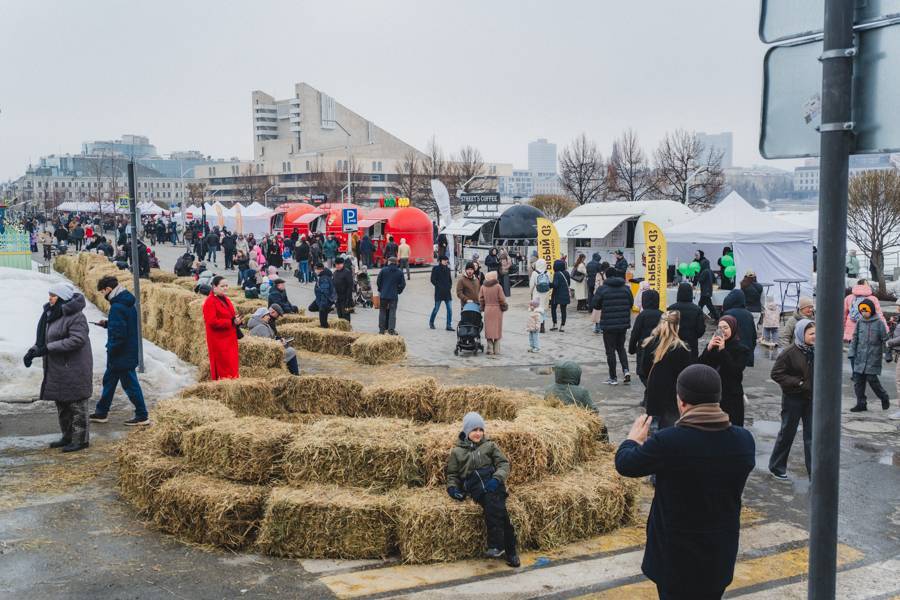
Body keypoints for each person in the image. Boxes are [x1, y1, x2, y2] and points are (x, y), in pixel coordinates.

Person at [615, 364, 755, 600]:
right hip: (718, 555)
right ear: (717, 398)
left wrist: (632, 440)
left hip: (675, 558)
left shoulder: (669, 442)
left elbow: (626, 464)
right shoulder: (743, 441)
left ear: (681, 401)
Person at [24, 283, 93, 453]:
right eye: (50, 295)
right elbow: (44, 340)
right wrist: (33, 351)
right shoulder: (51, 314)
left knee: (77, 404)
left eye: (54, 295)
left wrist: (49, 348)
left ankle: (81, 440)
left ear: (63, 298)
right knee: (62, 404)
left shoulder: (76, 316)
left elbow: (78, 339)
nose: (50, 298)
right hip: (57, 367)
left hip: (74, 366)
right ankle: (67, 436)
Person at [445, 412, 520, 568]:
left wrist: (496, 479)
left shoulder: (490, 446)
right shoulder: (457, 452)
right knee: (499, 511)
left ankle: (497, 546)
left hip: (493, 483)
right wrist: (452, 489)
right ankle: (510, 550)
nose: (478, 433)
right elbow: (452, 474)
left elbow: (504, 464)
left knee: (496, 507)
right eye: (474, 430)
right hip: (475, 486)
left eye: (481, 429)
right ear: (466, 431)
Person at [89, 276, 150, 426]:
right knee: (109, 382)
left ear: (109, 289)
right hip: (127, 350)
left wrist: (111, 348)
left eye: (103, 292)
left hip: (121, 353)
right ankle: (101, 412)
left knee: (130, 385)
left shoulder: (116, 307)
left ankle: (142, 415)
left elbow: (119, 334)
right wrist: (108, 324)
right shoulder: (127, 303)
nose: (103, 295)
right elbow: (125, 325)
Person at [770, 318, 816, 481]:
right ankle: (776, 466)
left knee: (812, 437)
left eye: (816, 333)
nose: (814, 336)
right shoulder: (789, 352)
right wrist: (799, 382)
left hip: (812, 399)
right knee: (787, 433)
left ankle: (814, 473)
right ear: (801, 334)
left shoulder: (816, 351)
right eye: (811, 334)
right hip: (793, 399)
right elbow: (776, 374)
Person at [641, 311, 692, 429]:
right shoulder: (682, 348)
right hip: (673, 400)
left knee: (654, 434)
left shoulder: (650, 342)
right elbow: (686, 375)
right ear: (677, 326)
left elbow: (644, 369)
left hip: (654, 398)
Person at [700, 316, 749, 426]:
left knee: (733, 427)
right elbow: (700, 366)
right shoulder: (713, 347)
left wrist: (722, 350)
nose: (722, 331)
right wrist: (708, 348)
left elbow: (735, 370)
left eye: (725, 328)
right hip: (712, 394)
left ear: (733, 328)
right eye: (720, 328)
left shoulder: (742, 349)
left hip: (731, 395)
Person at [848, 299, 891, 412]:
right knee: (858, 381)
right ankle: (861, 403)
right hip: (859, 357)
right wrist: (851, 352)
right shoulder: (859, 322)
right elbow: (854, 339)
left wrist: (888, 355)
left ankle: (884, 397)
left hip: (873, 357)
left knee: (872, 380)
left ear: (871, 310)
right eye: (861, 310)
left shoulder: (879, 323)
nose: (863, 312)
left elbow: (885, 340)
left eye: (865, 310)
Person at [593, 267, 633, 385]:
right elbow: (631, 303)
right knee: (621, 348)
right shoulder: (626, 288)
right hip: (623, 324)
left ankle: (613, 377)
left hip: (608, 325)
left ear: (606, 276)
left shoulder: (602, 289)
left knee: (610, 350)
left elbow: (595, 305)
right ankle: (626, 371)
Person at [202, 275, 241, 380]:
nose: (225, 288)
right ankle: (224, 386)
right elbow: (212, 322)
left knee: (231, 364)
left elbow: (230, 316)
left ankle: (232, 382)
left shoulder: (226, 299)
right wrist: (231, 322)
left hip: (229, 338)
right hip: (219, 341)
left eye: (226, 285)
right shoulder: (210, 302)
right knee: (223, 366)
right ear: (214, 287)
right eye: (222, 286)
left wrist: (236, 321)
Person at [247, 305, 299, 375]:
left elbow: (269, 341)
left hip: (265, 352)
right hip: (265, 356)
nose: (269, 317)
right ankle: (295, 374)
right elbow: (268, 346)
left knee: (289, 349)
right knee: (291, 351)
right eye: (267, 315)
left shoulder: (261, 324)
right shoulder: (261, 327)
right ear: (261, 316)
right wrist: (280, 343)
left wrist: (279, 340)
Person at [629, 289, 663, 387]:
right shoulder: (662, 314)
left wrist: (631, 348)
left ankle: (649, 394)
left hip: (643, 349)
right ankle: (650, 394)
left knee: (642, 373)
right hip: (660, 348)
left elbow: (635, 333)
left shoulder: (642, 316)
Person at [668, 282, 706, 360]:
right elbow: (701, 330)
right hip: (691, 344)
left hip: (674, 344)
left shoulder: (671, 308)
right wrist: (693, 335)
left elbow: (667, 328)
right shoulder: (697, 309)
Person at [722, 288, 757, 368]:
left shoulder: (728, 314)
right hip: (745, 350)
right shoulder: (748, 314)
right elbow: (753, 335)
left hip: (731, 351)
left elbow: (721, 333)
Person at [843, 279, 885, 344]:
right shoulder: (873, 299)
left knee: (852, 349)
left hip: (851, 330)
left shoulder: (849, 298)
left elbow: (843, 315)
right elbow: (879, 315)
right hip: (867, 329)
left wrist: (843, 328)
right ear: (867, 286)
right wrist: (885, 329)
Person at [479, 270, 507, 356]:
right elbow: (502, 299)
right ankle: (497, 350)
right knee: (497, 329)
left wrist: (483, 307)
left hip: (488, 309)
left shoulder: (483, 287)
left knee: (489, 329)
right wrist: (503, 306)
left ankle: (490, 349)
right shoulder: (498, 286)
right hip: (497, 309)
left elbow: (481, 299)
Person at [376, 256, 405, 335]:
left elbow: (378, 282)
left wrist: (381, 290)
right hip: (393, 296)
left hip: (384, 295)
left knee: (382, 312)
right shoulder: (399, 272)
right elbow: (402, 284)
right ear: (396, 263)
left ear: (389, 262)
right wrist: (398, 291)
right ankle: (391, 330)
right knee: (392, 312)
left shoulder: (383, 270)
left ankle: (382, 330)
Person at [429, 255, 453, 331]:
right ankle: (431, 322)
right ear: (441, 261)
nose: (446, 261)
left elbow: (450, 280)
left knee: (450, 309)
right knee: (436, 308)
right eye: (445, 260)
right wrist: (439, 286)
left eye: (447, 260)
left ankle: (448, 325)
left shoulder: (448, 269)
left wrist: (449, 286)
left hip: (447, 293)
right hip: (439, 292)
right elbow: (432, 279)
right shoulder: (435, 268)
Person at [695, 250, 719, 320]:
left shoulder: (704, 271)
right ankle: (699, 317)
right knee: (703, 304)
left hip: (705, 291)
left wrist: (697, 274)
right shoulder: (710, 271)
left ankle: (717, 317)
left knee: (708, 306)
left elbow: (700, 280)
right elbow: (714, 279)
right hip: (708, 290)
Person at [549, 259, 571, 332]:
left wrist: (549, 284)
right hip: (565, 294)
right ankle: (562, 326)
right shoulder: (567, 273)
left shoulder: (557, 274)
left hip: (556, 295)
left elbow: (555, 285)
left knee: (553, 309)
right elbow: (569, 283)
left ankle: (555, 324)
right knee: (563, 310)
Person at [312, 263, 335, 328]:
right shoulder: (321, 276)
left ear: (320, 270)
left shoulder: (324, 278)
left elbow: (325, 291)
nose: (315, 271)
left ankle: (325, 327)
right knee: (311, 308)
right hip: (320, 299)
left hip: (324, 300)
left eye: (316, 269)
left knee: (323, 320)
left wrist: (323, 304)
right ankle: (327, 310)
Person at [333, 257, 354, 322]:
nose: (338, 266)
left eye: (339, 264)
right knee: (340, 315)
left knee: (346, 315)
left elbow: (350, 286)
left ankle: (347, 329)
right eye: (336, 264)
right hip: (338, 298)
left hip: (345, 297)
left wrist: (348, 299)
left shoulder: (347, 272)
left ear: (343, 264)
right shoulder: (335, 273)